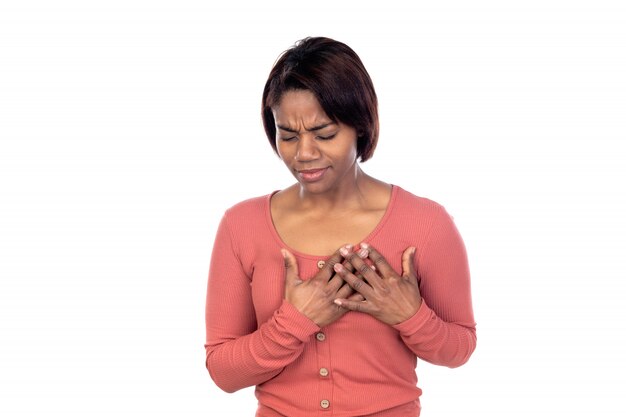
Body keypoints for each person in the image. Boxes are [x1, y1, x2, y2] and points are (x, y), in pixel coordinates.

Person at [204, 37, 476, 417]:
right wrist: (296, 321)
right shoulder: (241, 225)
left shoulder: (425, 223)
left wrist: (410, 314)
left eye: (325, 134)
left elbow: (459, 349)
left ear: (360, 127)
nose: (304, 154)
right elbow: (222, 371)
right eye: (288, 134)